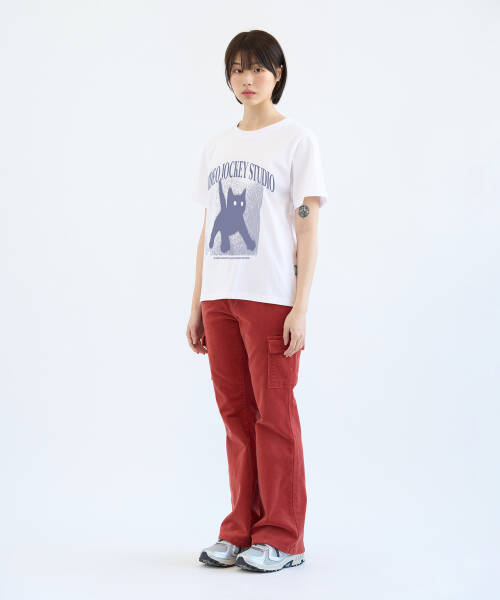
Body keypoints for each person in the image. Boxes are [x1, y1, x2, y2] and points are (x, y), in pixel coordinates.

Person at [186, 29, 328, 573]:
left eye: (258, 68)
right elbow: (207, 229)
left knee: (274, 414)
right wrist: (197, 302)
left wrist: (301, 307)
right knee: (235, 415)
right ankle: (241, 529)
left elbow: (307, 228)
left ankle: (284, 537)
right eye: (238, 69)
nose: (247, 79)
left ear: (278, 74)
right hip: (220, 297)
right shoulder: (217, 145)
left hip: (269, 296)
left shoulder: (297, 140)